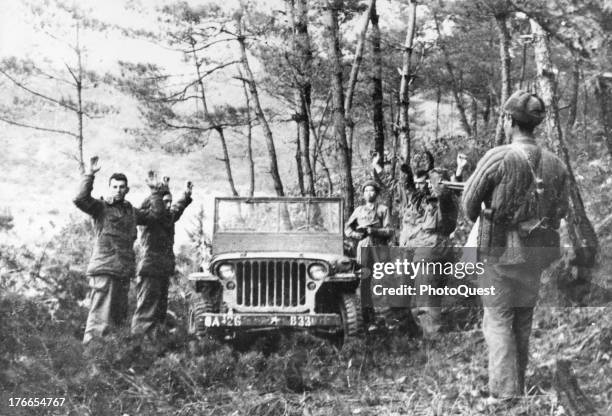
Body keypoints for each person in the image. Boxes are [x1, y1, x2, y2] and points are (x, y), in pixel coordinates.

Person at [462, 90, 569, 401]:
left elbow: (469, 206)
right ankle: (515, 386)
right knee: (522, 318)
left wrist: (493, 212)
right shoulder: (556, 164)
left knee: (497, 319)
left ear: (509, 120)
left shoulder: (498, 157)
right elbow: (561, 210)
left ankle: (505, 393)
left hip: (497, 252)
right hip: (535, 254)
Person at [74, 156, 168, 344]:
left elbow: (156, 216)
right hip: (105, 269)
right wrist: (90, 175)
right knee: (100, 318)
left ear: (127, 189)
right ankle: (93, 357)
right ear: (109, 188)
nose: (118, 190)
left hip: (123, 271)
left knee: (117, 318)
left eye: (121, 187)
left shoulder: (131, 211)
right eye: (114, 187)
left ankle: (111, 360)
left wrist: (155, 192)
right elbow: (80, 199)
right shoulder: (101, 208)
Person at [373, 152, 465, 338]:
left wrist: (456, 171)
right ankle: (410, 335)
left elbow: (446, 192)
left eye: (425, 181)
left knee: (427, 298)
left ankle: (431, 342)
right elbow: (396, 186)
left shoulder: (440, 200)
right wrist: (377, 167)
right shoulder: (414, 197)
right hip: (412, 252)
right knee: (405, 297)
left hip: (429, 250)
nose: (421, 185)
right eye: (417, 181)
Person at [131, 178, 193, 338]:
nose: (168, 205)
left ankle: (154, 344)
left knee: (159, 311)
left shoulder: (167, 218)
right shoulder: (149, 218)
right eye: (164, 202)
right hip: (149, 270)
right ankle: (140, 344)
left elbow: (177, 209)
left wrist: (186, 196)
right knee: (146, 311)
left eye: (169, 202)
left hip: (162, 270)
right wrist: (156, 193)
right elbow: (159, 212)